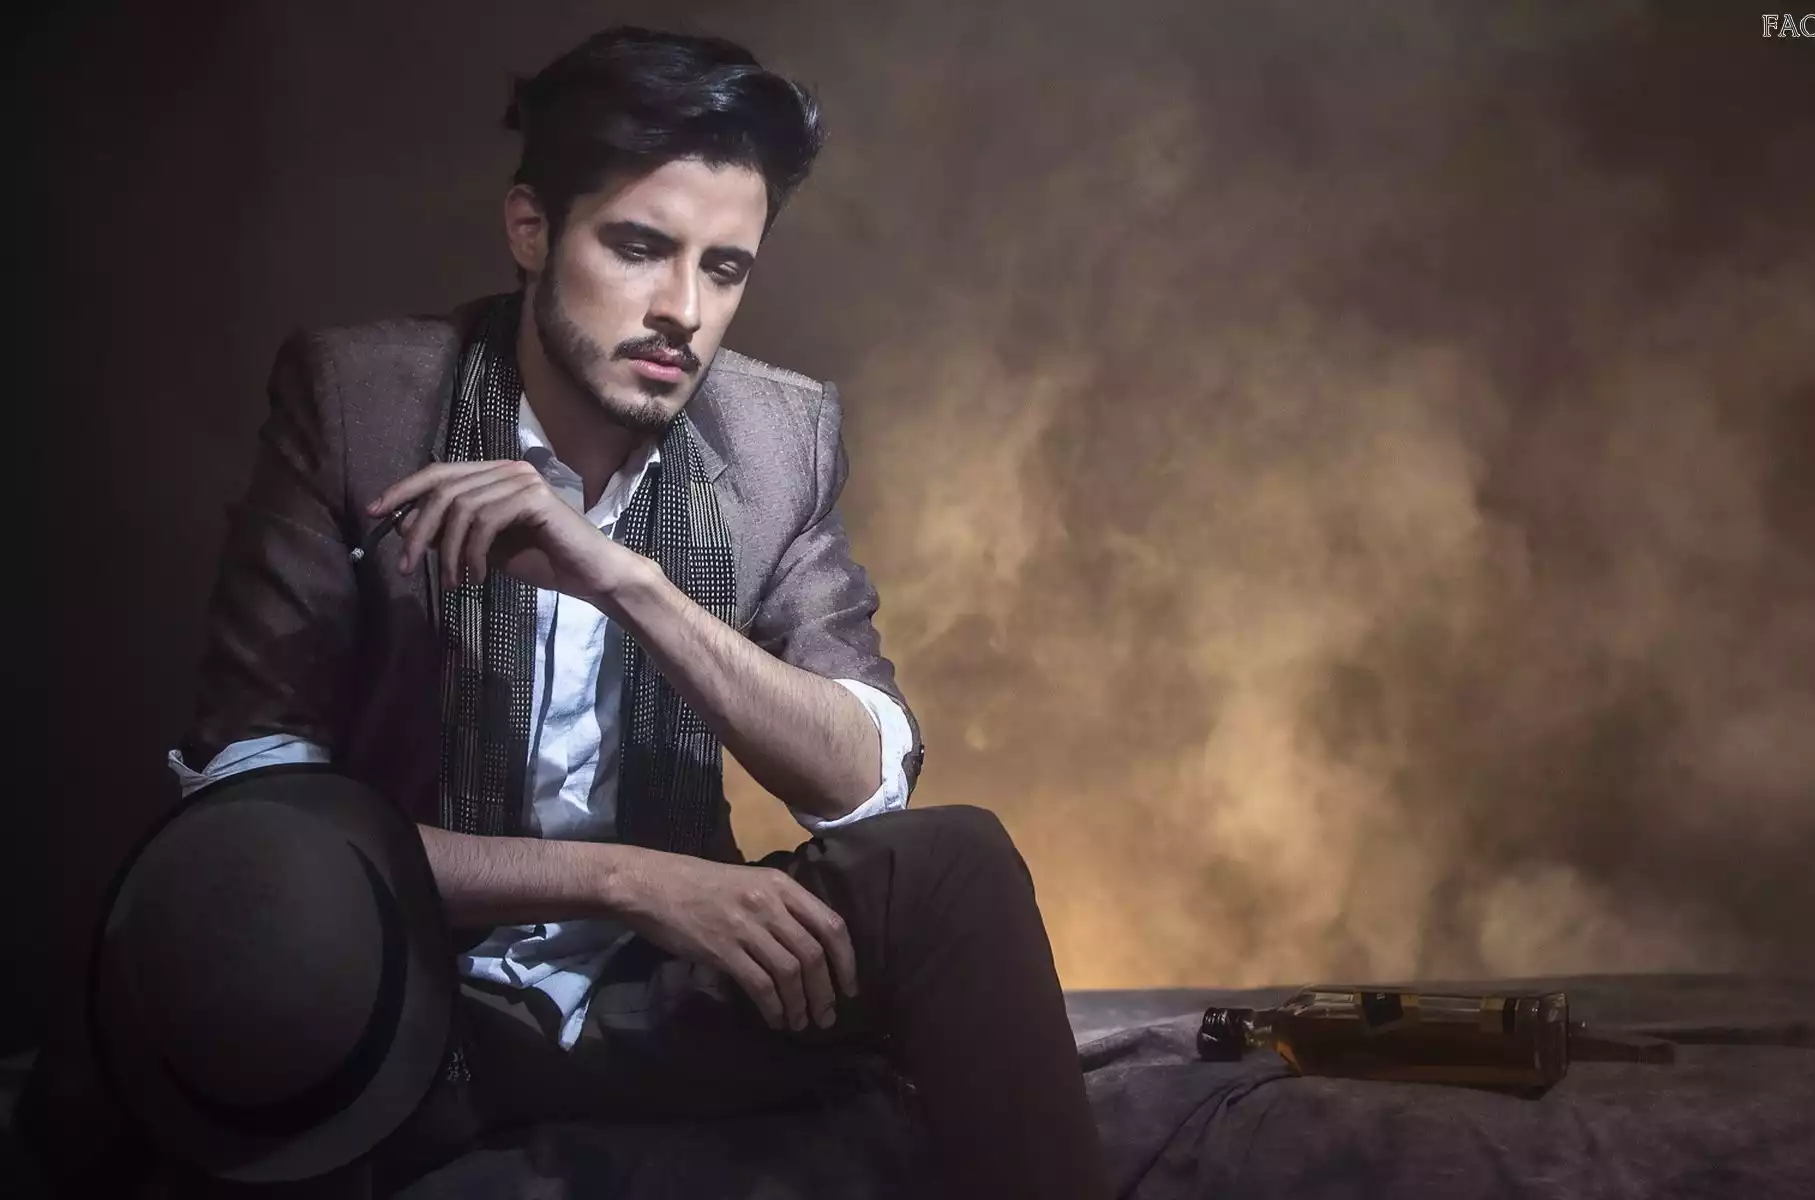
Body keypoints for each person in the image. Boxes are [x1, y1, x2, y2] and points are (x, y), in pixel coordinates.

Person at [16, 25, 1109, 1200]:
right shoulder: (358, 403)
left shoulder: (778, 438)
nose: (683, 310)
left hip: (668, 993)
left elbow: (860, 779)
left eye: (725, 269)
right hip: (414, 994)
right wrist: (625, 879)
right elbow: (254, 830)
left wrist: (623, 581)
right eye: (638, 248)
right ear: (531, 229)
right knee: (247, 980)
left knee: (954, 865)